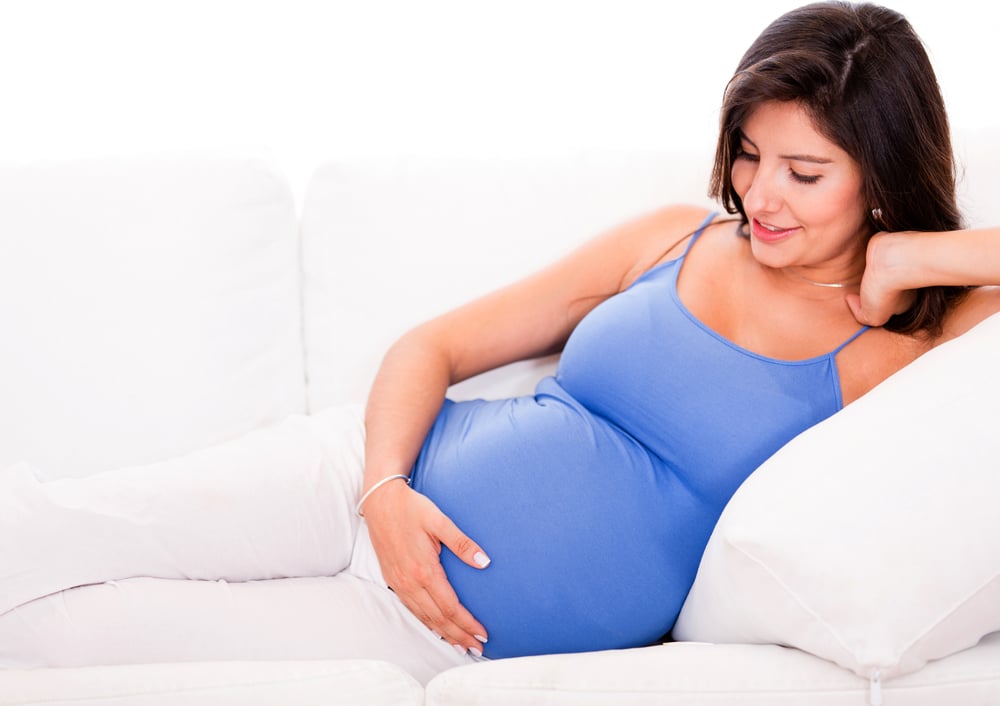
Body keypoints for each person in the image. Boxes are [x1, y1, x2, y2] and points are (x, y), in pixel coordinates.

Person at [2, 0, 999, 686]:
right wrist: (385, 493)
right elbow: (430, 347)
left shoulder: (902, 342)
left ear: (879, 173)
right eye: (746, 152)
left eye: (804, 171)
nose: (758, 194)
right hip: (362, 473)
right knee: (55, 531)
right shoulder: (671, 235)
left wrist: (910, 254)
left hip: (434, 626)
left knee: (55, 640)